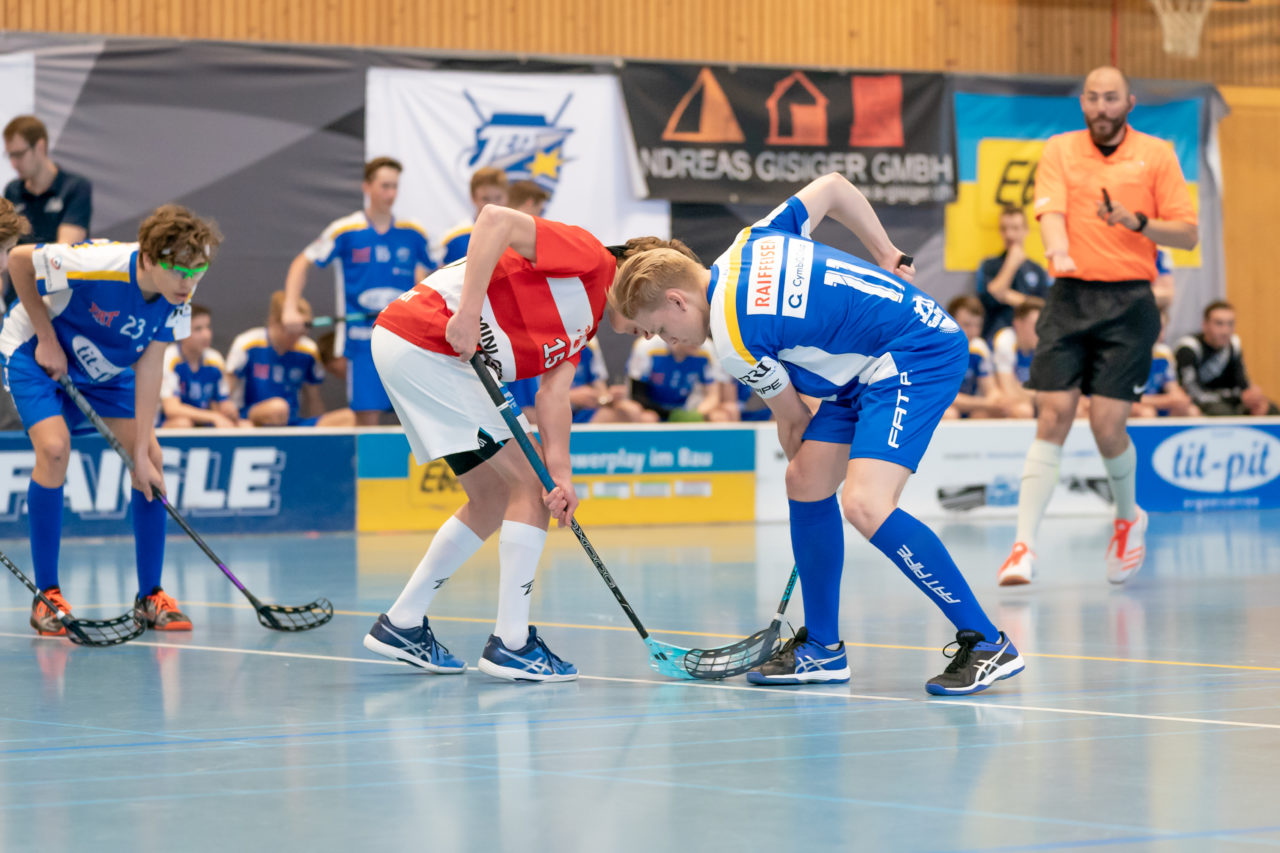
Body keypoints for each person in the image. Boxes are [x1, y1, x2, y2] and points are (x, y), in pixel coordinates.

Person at [608, 172, 1025, 696]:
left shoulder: (732, 336)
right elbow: (832, 187)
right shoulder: (749, 242)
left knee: (865, 504)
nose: (669, 343)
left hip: (915, 353)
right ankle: (822, 650)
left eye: (662, 330)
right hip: (867, 363)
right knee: (805, 481)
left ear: (677, 300)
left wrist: (795, 438)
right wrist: (885, 251)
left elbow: (794, 420)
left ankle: (988, 641)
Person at [361, 206, 693, 682]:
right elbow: (495, 220)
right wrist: (469, 311)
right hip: (429, 342)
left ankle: (403, 622)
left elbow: (554, 395)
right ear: (645, 282)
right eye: (660, 319)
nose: (655, 334)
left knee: (497, 495)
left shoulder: (586, 327)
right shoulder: (591, 259)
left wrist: (563, 476)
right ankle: (512, 645)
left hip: (416, 348)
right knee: (527, 487)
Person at [998, 66, 1198, 587]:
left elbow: (1188, 235)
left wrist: (1139, 224)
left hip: (1130, 299)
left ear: (1130, 102)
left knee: (1108, 426)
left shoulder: (1157, 154)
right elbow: (1051, 211)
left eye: (1112, 99)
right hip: (1069, 295)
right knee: (1054, 413)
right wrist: (1060, 250)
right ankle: (1023, 547)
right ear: (1082, 102)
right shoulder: (1060, 149)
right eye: (1093, 98)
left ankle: (1128, 518)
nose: (1102, 108)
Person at [0, 204, 222, 635]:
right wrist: (47, 339)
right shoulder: (97, 263)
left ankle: (151, 595)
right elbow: (19, 260)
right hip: (35, 347)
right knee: (54, 448)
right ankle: (47, 595)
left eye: (198, 272)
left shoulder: (180, 295)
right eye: (179, 271)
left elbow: (152, 367)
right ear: (150, 258)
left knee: (151, 463)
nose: (189, 283)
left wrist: (139, 452)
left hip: (104, 368)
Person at [282, 156, 432, 426]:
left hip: (407, 339)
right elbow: (301, 262)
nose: (391, 194)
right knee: (366, 418)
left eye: (395, 187)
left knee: (416, 419)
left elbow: (437, 270)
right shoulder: (345, 230)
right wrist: (290, 307)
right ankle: (372, 471)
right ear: (367, 187)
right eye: (385, 186)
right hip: (362, 339)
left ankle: (409, 470)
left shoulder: (414, 232)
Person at [226, 292, 355, 427]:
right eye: (291, 332)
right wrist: (234, 423)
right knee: (277, 408)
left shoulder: (308, 350)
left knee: (351, 417)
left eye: (301, 333)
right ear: (273, 322)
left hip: (291, 423)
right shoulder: (247, 344)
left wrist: (319, 431)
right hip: (250, 420)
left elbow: (313, 400)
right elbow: (225, 396)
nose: (296, 339)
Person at [3, 115, 93, 247]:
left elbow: (65, 253)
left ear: (40, 147)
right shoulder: (12, 191)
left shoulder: (75, 188)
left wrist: (19, 257)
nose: (13, 164)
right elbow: (4, 248)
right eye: (10, 156)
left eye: (19, 154)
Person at [1174, 300, 1276, 417]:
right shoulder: (1189, 348)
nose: (1225, 331)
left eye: (1230, 324)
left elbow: (1242, 383)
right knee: (1224, 413)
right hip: (1201, 403)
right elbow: (1192, 392)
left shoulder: (1233, 345)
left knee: (1269, 409)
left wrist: (1252, 397)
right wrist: (1236, 397)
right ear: (1205, 325)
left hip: (1228, 401)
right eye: (1219, 323)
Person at [974, 206, 1052, 341]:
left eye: (1015, 228)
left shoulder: (1037, 270)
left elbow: (1043, 308)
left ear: (1026, 230)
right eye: (1004, 229)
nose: (1009, 235)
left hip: (1029, 340)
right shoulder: (988, 265)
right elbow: (989, 298)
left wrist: (1004, 294)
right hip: (994, 337)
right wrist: (1011, 263)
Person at [158, 304, 240, 428]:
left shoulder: (214, 359)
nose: (206, 335)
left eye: (208, 327)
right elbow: (171, 409)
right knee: (183, 424)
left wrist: (229, 410)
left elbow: (221, 402)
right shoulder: (170, 358)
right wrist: (213, 416)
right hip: (167, 424)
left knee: (243, 425)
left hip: (205, 422)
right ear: (182, 332)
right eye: (198, 329)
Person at [626, 336, 738, 422]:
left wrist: (695, 414)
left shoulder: (707, 349)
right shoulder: (646, 347)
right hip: (651, 408)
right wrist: (670, 415)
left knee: (719, 416)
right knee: (648, 418)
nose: (698, 341)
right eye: (691, 335)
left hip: (685, 408)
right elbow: (637, 396)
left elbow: (713, 396)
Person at [943, 295, 1005, 420]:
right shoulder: (939, 350)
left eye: (977, 326)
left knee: (992, 412)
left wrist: (996, 402)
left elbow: (992, 390)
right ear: (950, 322)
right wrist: (985, 404)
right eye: (966, 325)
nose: (972, 332)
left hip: (968, 406)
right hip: (939, 407)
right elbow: (945, 397)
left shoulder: (978, 347)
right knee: (949, 414)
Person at [438, 167, 510, 265]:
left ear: (507, 196)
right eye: (485, 199)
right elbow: (443, 275)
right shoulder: (456, 237)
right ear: (473, 198)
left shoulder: (519, 233)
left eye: (498, 198)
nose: (493, 205)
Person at [1133, 310, 1197, 418]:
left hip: (1153, 404)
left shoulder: (1162, 354)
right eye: (1152, 326)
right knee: (1146, 413)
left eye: (1161, 327)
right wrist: (1164, 401)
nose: (1157, 331)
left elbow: (1176, 392)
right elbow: (1124, 399)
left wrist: (1178, 399)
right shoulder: (1123, 356)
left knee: (1191, 411)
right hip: (1123, 406)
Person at [991, 298, 1044, 420]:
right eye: (1035, 325)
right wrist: (1038, 396)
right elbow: (1009, 393)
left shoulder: (1042, 346)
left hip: (1025, 402)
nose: (1040, 331)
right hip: (988, 405)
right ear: (1017, 324)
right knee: (1023, 410)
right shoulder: (1006, 339)